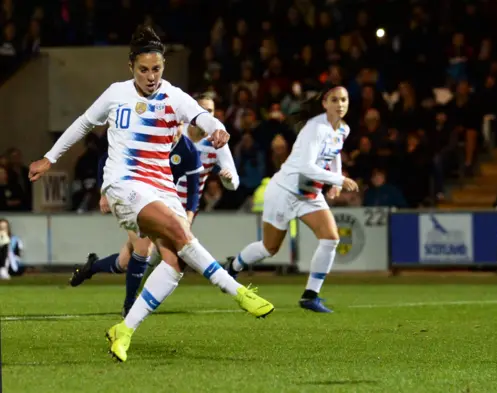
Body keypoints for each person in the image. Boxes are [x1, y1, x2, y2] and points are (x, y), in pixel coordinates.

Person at [28, 26, 274, 363]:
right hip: (124, 184)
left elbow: (202, 116)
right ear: (131, 67)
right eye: (143, 69)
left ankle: (124, 330)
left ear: (163, 67)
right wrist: (50, 157)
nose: (151, 76)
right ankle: (237, 290)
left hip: (162, 187)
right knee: (178, 234)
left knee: (174, 262)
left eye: (156, 69)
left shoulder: (174, 96)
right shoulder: (116, 94)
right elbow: (84, 124)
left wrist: (218, 130)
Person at [226, 85, 359, 313]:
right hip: (284, 191)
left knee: (330, 238)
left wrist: (335, 183)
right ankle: (233, 266)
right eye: (334, 100)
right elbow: (307, 167)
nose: (340, 104)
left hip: (309, 194)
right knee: (269, 248)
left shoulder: (343, 129)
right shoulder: (315, 128)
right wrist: (339, 179)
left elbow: (334, 154)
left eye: (344, 100)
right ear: (324, 103)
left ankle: (310, 295)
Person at [68, 123, 203, 319]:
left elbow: (193, 190)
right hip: (129, 195)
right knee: (143, 249)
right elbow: (106, 158)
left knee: (124, 262)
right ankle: (129, 306)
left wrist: (189, 216)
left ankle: (92, 266)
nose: (175, 129)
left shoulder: (188, 151)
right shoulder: (146, 138)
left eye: (179, 124)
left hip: (158, 203)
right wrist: (103, 191)